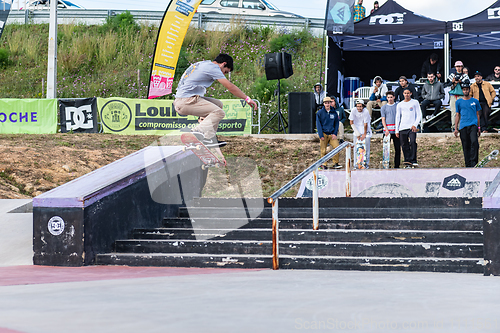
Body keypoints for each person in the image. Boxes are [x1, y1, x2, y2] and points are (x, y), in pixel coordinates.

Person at [174, 53, 257, 147]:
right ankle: (196, 132)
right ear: (223, 64)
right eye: (225, 72)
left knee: (218, 104)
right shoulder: (213, 68)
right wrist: (247, 98)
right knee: (219, 113)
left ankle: (209, 138)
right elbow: (230, 87)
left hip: (184, 99)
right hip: (185, 101)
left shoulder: (202, 64)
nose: (223, 75)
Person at [454, 82, 481, 167]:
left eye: (467, 89)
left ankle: (474, 162)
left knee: (474, 143)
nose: (465, 91)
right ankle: (468, 164)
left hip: (473, 125)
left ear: (469, 90)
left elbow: (478, 114)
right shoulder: (458, 102)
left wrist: (479, 127)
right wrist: (455, 128)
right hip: (463, 126)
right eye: (464, 90)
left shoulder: (475, 101)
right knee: (466, 146)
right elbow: (457, 115)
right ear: (462, 91)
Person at [395, 88, 422, 168]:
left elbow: (419, 114)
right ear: (403, 94)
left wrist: (415, 124)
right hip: (402, 127)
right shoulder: (400, 104)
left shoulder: (415, 102)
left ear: (410, 93)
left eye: (408, 93)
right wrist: (397, 129)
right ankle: (407, 161)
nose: (406, 95)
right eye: (405, 93)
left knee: (413, 142)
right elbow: (397, 117)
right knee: (404, 144)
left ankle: (413, 160)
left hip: (411, 127)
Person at [316, 96, 342, 170]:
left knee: (337, 147)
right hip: (323, 133)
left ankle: (335, 163)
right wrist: (320, 135)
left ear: (331, 103)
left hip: (331, 134)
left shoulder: (334, 112)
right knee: (323, 150)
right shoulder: (320, 113)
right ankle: (324, 164)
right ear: (323, 104)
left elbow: (337, 123)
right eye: (325, 103)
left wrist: (335, 133)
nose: (327, 104)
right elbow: (318, 124)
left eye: (328, 103)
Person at [444, 61, 469, 131]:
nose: (459, 68)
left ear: (462, 67)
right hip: (453, 95)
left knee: (463, 112)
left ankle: (462, 127)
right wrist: (453, 82)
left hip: (462, 95)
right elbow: (446, 85)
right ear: (455, 67)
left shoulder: (465, 76)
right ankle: (454, 127)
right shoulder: (451, 76)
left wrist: (461, 82)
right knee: (454, 112)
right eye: (457, 66)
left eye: (460, 66)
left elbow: (468, 84)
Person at [381, 91, 401, 168]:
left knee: (397, 149)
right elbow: (383, 119)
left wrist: (397, 129)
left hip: (395, 130)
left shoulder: (397, 106)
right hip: (387, 131)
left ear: (394, 97)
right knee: (386, 149)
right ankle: (386, 164)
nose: (390, 99)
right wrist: (386, 129)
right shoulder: (384, 107)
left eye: (391, 97)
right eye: (388, 97)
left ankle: (397, 165)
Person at [350, 99, 372, 168]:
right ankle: (356, 164)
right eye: (358, 106)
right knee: (356, 148)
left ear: (363, 106)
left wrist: (364, 134)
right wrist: (357, 133)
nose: (359, 108)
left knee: (366, 149)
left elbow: (365, 124)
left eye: (360, 106)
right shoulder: (353, 110)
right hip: (356, 130)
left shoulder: (366, 111)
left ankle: (366, 164)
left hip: (366, 130)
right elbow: (351, 122)